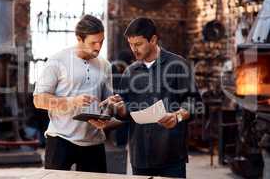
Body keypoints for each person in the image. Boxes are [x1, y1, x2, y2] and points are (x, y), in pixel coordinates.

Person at [98, 17, 203, 178]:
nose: (133, 49)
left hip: (171, 155)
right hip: (140, 155)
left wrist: (177, 116)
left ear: (153, 39)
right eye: (130, 44)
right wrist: (117, 107)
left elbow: (194, 103)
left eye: (138, 44)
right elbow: (126, 111)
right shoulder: (130, 72)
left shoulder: (178, 65)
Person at [33, 14, 113, 172]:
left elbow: (107, 102)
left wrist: (106, 114)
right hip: (60, 139)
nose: (98, 47)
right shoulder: (57, 61)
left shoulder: (105, 65)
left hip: (94, 141)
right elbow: (39, 100)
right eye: (93, 42)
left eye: (101, 41)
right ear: (79, 38)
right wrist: (72, 102)